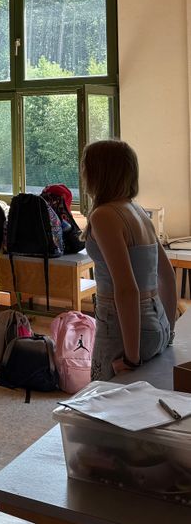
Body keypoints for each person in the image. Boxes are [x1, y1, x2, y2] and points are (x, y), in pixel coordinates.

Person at [82, 139, 177, 380]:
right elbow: (167, 275)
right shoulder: (139, 211)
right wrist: (168, 331)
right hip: (158, 324)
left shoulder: (104, 215)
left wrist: (131, 358)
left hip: (123, 331)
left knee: (104, 396)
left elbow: (126, 290)